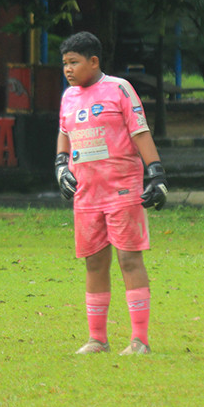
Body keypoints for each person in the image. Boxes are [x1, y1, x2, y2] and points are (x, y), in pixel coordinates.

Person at [55, 32, 168, 356]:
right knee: (94, 263)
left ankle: (139, 340)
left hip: (123, 190)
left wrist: (156, 174)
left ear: (94, 61)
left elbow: (140, 132)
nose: (68, 69)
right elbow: (64, 136)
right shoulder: (68, 98)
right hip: (87, 194)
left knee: (128, 259)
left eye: (74, 62)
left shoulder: (119, 89)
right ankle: (97, 339)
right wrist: (61, 168)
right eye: (65, 63)